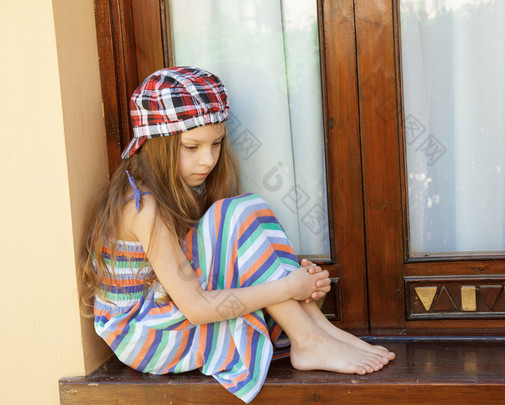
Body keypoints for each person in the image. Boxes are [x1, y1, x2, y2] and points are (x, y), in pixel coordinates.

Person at [80, 66, 394, 403]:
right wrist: (288, 285)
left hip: (168, 310)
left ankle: (318, 329)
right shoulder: (143, 206)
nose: (208, 159)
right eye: (191, 147)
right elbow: (198, 308)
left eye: (216, 143)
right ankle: (308, 339)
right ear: (156, 145)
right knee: (233, 214)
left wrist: (300, 288)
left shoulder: (175, 189)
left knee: (246, 208)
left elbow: (225, 264)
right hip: (145, 336)